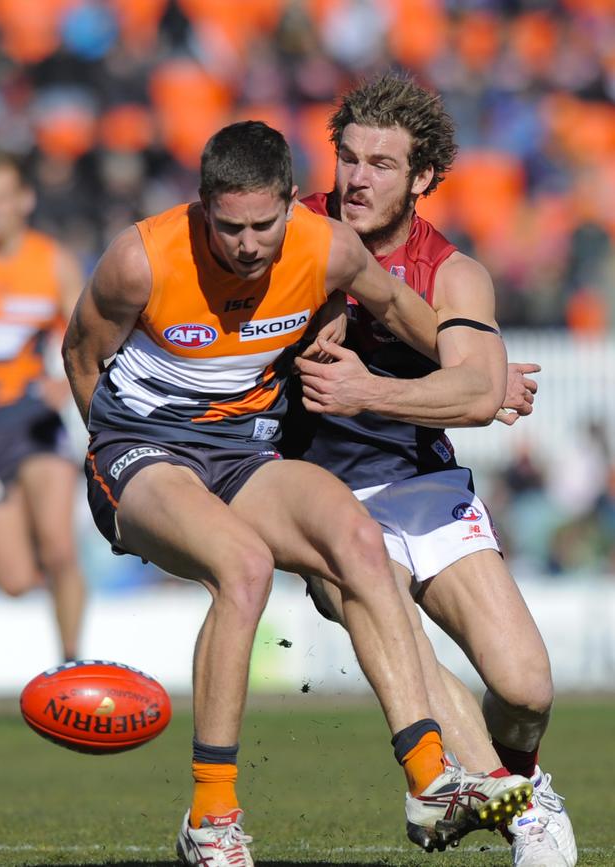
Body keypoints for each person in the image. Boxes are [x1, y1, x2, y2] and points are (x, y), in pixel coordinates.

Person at [62, 121, 532, 867]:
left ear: (291, 203)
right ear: (201, 208)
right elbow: (84, 356)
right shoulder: (139, 259)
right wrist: (129, 479)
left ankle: (430, 778)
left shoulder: (328, 246)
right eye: (229, 227)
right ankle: (211, 819)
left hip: (243, 452)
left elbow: (404, 313)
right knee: (243, 565)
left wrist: (480, 371)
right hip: (141, 448)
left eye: (263, 225)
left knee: (355, 539)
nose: (247, 244)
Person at [290, 74, 577, 867]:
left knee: (525, 689)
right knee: (395, 624)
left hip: (422, 486)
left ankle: (514, 769)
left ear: (423, 178)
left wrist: (367, 388)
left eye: (382, 164)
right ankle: (522, 806)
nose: (357, 178)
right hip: (315, 495)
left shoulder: (453, 271)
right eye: (348, 157)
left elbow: (479, 391)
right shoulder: (291, 232)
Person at [0, 151, 87, 663]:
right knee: (13, 580)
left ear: (25, 200)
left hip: (36, 423)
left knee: (60, 547)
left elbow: (88, 332)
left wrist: (65, 379)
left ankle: (71, 662)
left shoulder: (53, 261)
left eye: (1, 198)